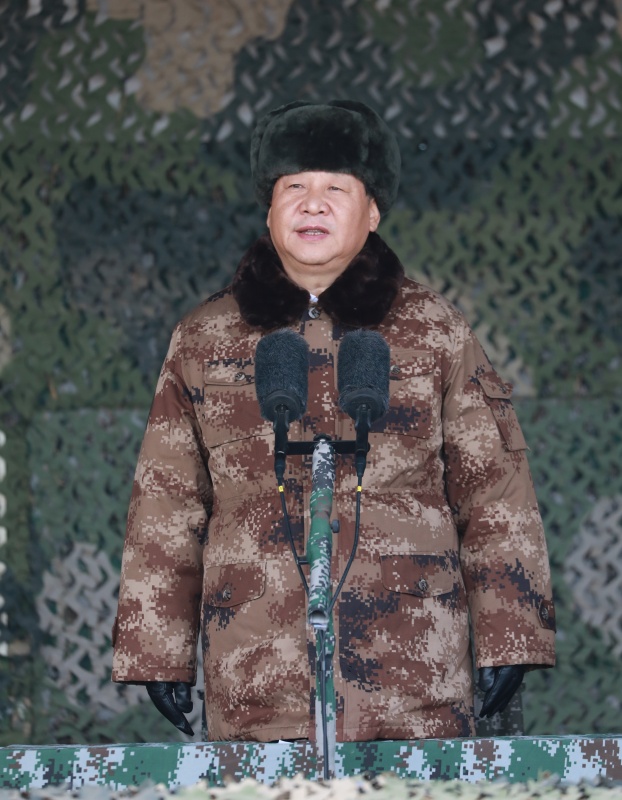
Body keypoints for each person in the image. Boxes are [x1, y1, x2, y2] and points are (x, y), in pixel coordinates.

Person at [112, 99, 556, 742]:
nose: (312, 205)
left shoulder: (435, 330)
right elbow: (167, 500)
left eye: (335, 189)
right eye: (294, 187)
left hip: (414, 678)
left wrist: (511, 632)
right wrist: (157, 648)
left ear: (372, 211)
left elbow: (494, 490)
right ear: (269, 210)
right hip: (259, 680)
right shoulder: (204, 338)